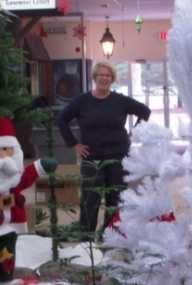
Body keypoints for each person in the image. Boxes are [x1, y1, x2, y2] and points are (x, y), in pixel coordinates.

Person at [55, 61, 151, 238]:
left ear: (112, 79)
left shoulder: (120, 100)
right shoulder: (82, 101)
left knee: (116, 197)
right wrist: (74, 144)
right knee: (90, 197)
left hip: (118, 157)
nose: (104, 78)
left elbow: (145, 111)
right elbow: (61, 119)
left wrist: (133, 134)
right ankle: (87, 235)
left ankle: (110, 235)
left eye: (108, 75)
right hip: (92, 157)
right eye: (101, 75)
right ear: (95, 77)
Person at [0, 117, 57, 282]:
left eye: (6, 149)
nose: (2, 156)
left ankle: (3, 280)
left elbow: (25, 178)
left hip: (9, 225)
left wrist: (40, 167)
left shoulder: (13, 173)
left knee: (5, 257)